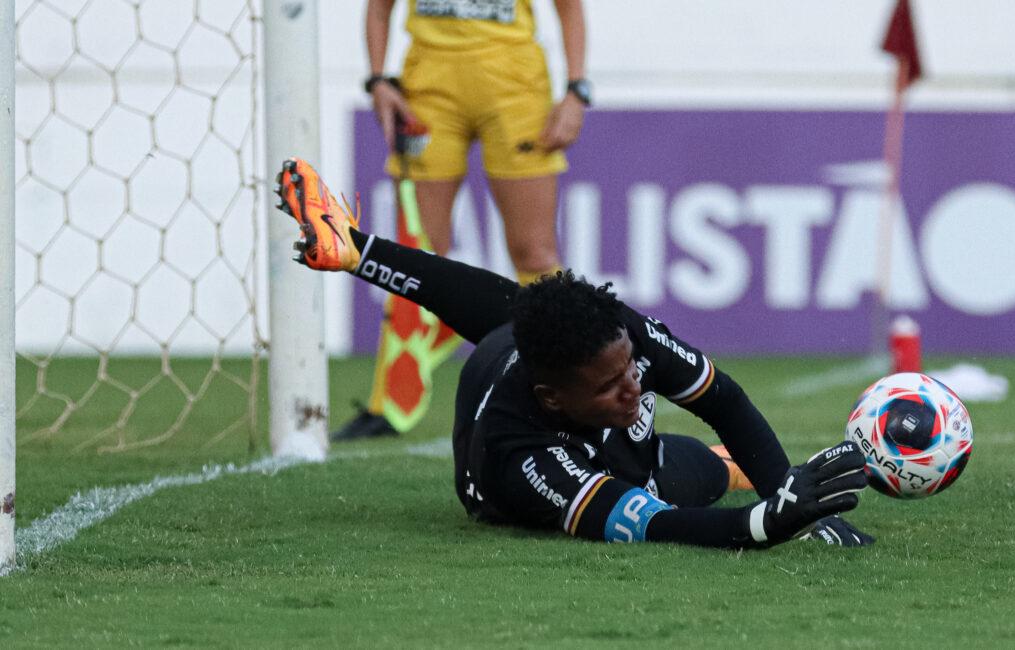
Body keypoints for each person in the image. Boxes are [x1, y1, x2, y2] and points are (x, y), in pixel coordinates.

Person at [275, 158, 875, 548]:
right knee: (664, 489)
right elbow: (656, 525)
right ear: (553, 397)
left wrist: (796, 500)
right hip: (525, 478)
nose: (633, 387)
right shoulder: (523, 455)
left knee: (692, 462)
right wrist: (769, 521)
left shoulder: (614, 332)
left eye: (629, 370)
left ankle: (355, 249)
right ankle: (728, 469)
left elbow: (724, 399)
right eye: (610, 385)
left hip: (584, 412)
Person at [336, 0, 590, 440]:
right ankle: (390, 404)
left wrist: (575, 92)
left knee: (535, 252)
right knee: (416, 252)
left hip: (514, 85)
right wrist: (377, 80)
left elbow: (569, 8)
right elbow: (379, 8)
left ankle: (571, 390)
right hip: (428, 87)